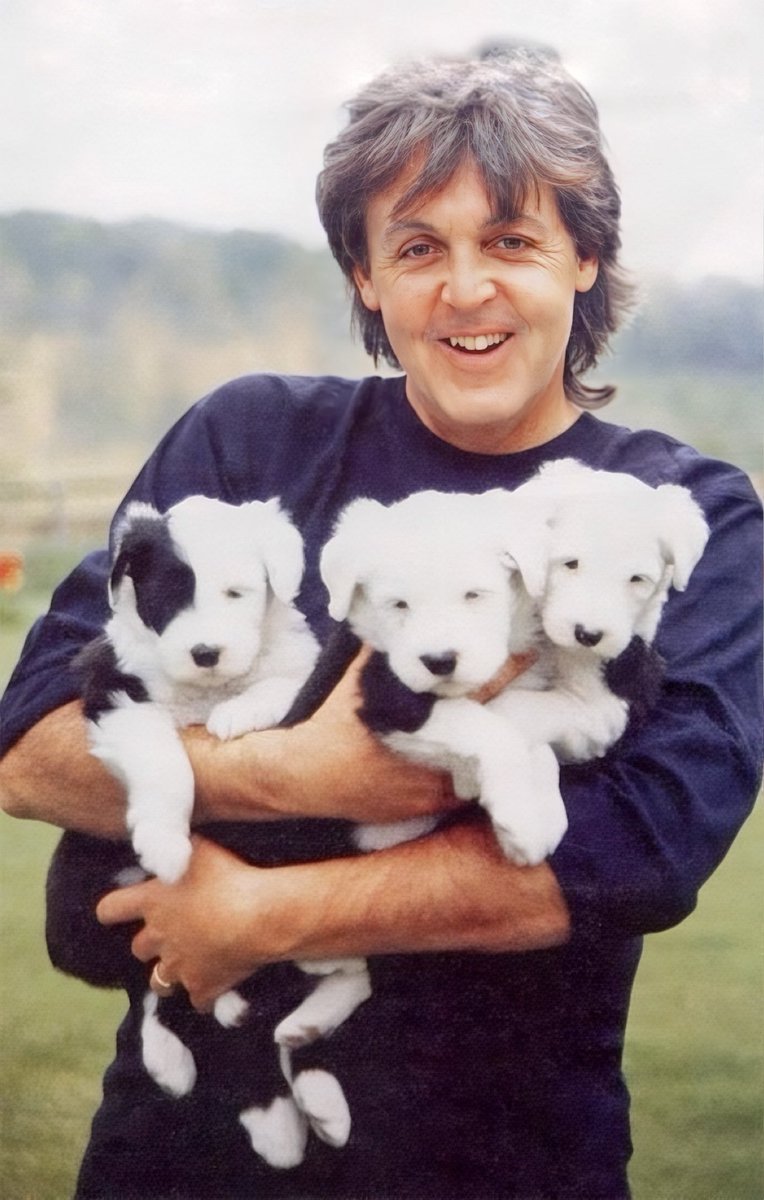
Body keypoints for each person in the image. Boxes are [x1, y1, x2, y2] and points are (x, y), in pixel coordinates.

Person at [1, 46, 761, 1200]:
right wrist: (297, 773)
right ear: (363, 275)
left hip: (501, 1166)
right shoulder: (246, 442)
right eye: (416, 248)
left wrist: (262, 913)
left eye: (510, 241)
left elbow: (641, 846)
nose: (464, 289)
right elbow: (29, 741)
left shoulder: (676, 513)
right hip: (178, 1166)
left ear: (585, 258)